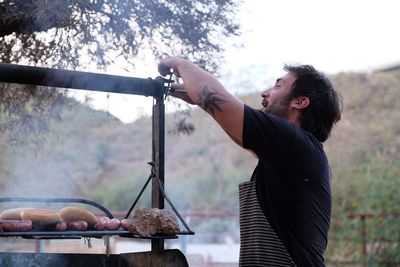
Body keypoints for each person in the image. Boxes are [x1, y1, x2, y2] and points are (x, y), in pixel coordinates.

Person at [158, 57, 342, 267]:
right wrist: (204, 102)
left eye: (278, 85)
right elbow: (237, 128)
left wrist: (180, 63)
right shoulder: (294, 153)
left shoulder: (293, 143)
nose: (265, 93)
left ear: (300, 102)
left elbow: (224, 104)